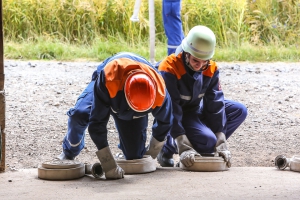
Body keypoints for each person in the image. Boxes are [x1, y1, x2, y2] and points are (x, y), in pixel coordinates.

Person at [58, 52, 173, 179]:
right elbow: (97, 124)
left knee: (134, 157)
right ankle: (69, 151)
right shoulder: (109, 79)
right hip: (112, 84)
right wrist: (108, 163)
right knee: (80, 114)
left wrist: (152, 153)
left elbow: (165, 122)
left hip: (130, 94)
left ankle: (128, 151)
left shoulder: (160, 92)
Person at [156, 25, 248, 168]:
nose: (200, 66)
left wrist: (221, 141)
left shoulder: (210, 67)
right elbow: (171, 110)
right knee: (207, 140)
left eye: (204, 62)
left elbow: (215, 103)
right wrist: (182, 144)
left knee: (239, 110)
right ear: (186, 54)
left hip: (196, 109)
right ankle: (169, 147)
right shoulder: (168, 68)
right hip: (177, 114)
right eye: (195, 61)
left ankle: (204, 148)